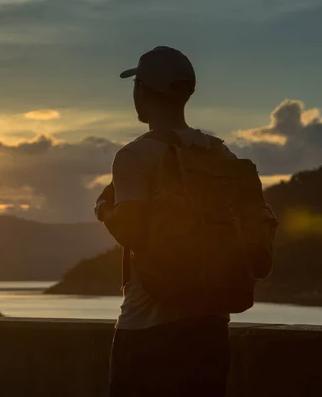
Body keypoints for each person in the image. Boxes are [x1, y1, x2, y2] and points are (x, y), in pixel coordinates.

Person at [95, 46, 236, 397]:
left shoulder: (134, 156)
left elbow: (130, 229)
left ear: (141, 91)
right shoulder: (218, 152)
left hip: (147, 329)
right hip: (210, 329)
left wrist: (103, 210)